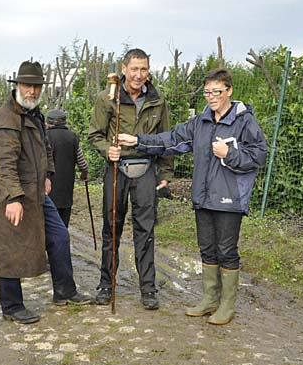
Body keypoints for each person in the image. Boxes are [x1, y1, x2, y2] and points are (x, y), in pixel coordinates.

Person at [114, 67, 268, 325]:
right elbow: (171, 139)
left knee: (226, 250)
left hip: (230, 199)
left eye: (217, 92)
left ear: (229, 91)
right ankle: (210, 300)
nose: (211, 97)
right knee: (207, 248)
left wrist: (229, 154)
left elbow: (259, 156)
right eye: (207, 92)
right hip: (203, 197)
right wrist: (137, 141)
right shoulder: (201, 122)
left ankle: (227, 306)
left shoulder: (244, 122)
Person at [0, 60, 91, 324]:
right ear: (17, 86)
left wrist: (47, 175)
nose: (32, 91)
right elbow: (3, 164)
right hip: (14, 196)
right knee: (12, 248)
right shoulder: (6, 121)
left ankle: (65, 291)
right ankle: (11, 306)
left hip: (37, 194)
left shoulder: (34, 114)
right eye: (27, 86)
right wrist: (13, 197)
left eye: (36, 86)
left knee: (60, 237)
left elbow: (45, 147)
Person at [88, 48, 173, 310]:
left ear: (149, 71)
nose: (139, 75)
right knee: (111, 228)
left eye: (144, 69)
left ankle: (148, 288)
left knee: (145, 231)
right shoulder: (107, 98)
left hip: (146, 170)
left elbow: (166, 139)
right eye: (134, 69)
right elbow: (95, 135)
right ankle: (105, 285)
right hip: (116, 170)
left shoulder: (158, 101)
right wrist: (107, 150)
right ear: (124, 69)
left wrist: (166, 174)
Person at [45, 108, 89, 227]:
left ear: (48, 123)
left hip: (47, 188)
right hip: (66, 190)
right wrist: (85, 173)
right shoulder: (73, 137)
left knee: (48, 224)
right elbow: (81, 161)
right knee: (63, 225)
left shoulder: (43, 137)